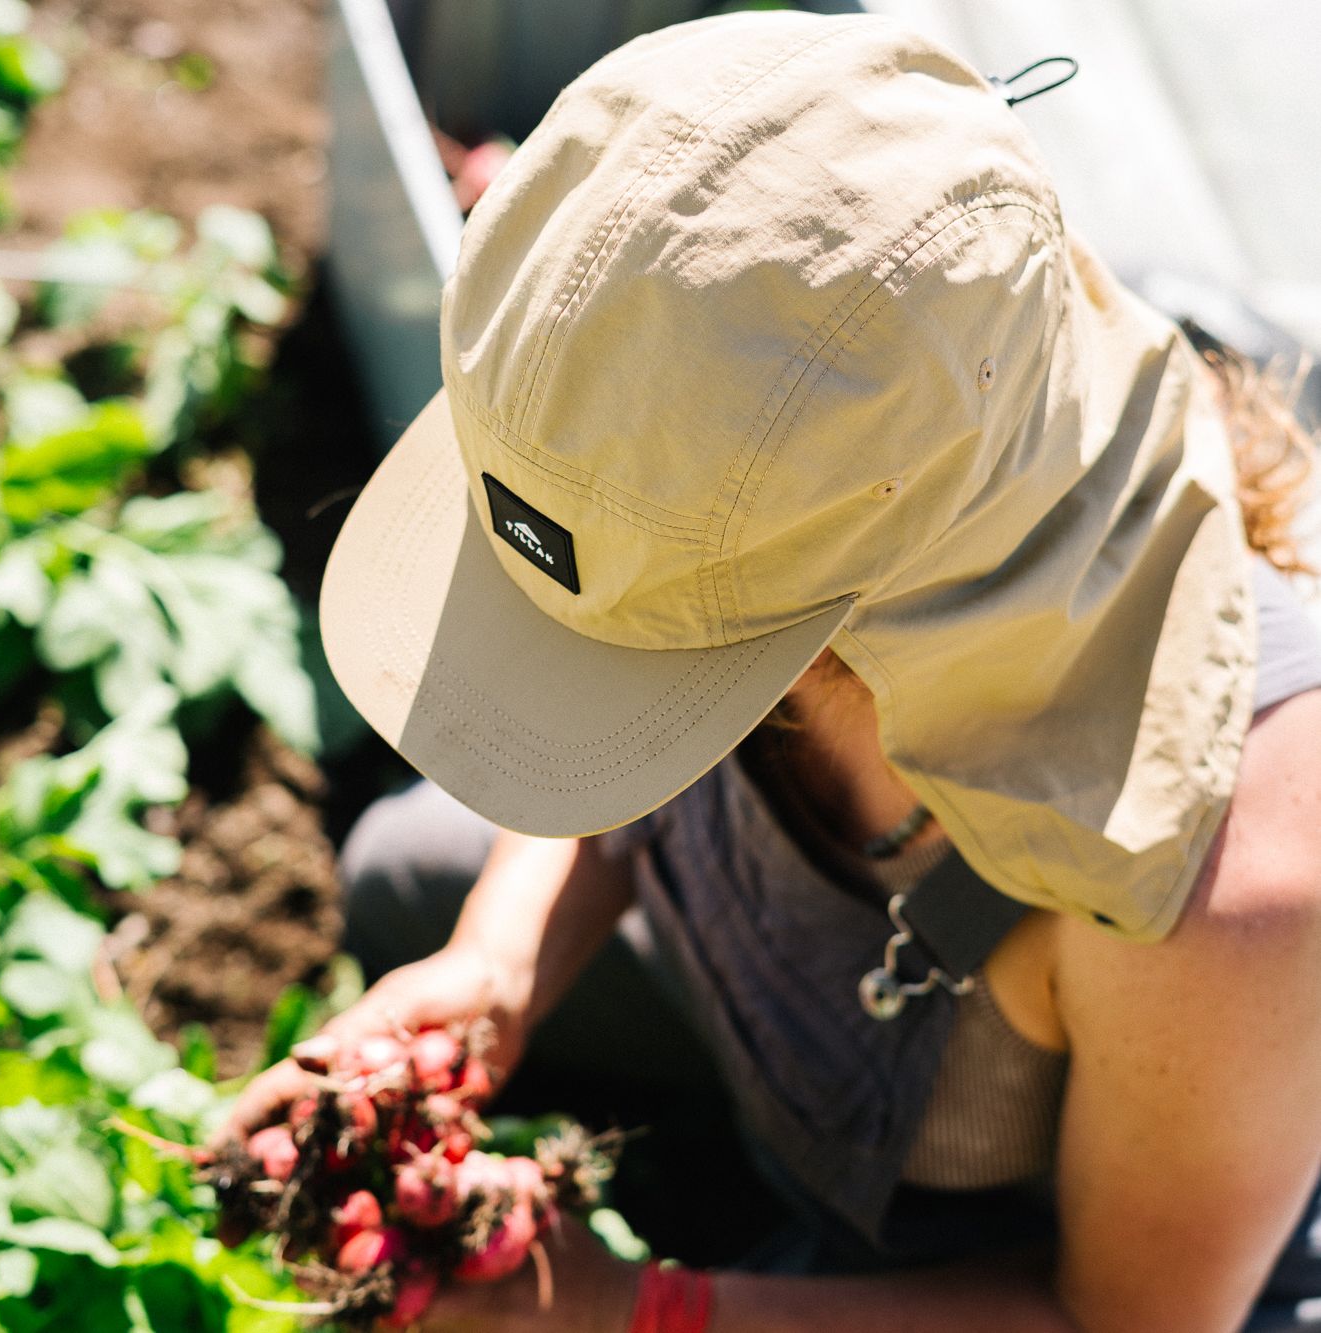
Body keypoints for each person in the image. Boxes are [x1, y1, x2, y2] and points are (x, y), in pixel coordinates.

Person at [221, 11, 1321, 1330]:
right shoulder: (795, 458)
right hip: (777, 1030)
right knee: (404, 877)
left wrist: (633, 1307)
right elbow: (615, 654)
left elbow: (1122, 1315)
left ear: (876, 604)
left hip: (1049, 1262)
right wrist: (500, 966)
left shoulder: (1232, 873)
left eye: (658, 649)